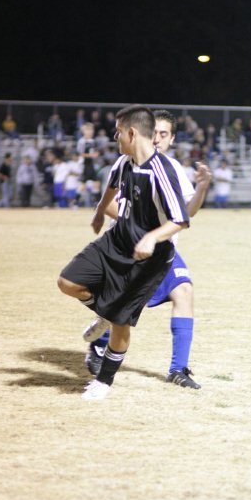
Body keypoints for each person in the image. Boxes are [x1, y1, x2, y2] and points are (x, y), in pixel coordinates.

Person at [57, 104, 190, 400]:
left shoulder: (162, 172)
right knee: (67, 282)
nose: (115, 138)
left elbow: (180, 220)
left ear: (131, 132)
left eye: (118, 132)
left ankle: (103, 382)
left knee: (121, 323)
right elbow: (111, 189)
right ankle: (104, 311)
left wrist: (152, 238)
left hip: (150, 259)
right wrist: (98, 213)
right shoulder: (123, 163)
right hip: (116, 241)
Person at [83, 109, 212, 388]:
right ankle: (99, 346)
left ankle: (178, 370)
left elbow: (185, 213)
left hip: (162, 250)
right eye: (154, 133)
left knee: (184, 291)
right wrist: (140, 229)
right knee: (123, 307)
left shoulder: (174, 169)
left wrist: (201, 189)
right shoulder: (128, 163)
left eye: (163, 135)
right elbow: (106, 203)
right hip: (129, 249)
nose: (157, 140)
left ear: (172, 139)